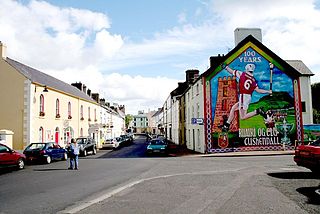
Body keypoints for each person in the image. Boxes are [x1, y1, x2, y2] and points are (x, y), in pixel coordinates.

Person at [221, 63, 272, 131]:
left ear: (246, 69)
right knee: (233, 108)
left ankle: (257, 111)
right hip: (247, 97)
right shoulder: (253, 80)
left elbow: (232, 71)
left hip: (243, 96)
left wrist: (226, 67)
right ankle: (227, 125)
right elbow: (258, 90)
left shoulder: (242, 74)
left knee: (242, 117)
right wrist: (268, 91)